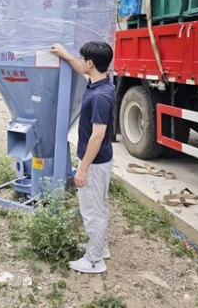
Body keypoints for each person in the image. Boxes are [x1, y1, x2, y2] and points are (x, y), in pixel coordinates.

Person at [51, 42, 116, 275]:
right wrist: (65, 55)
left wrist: (83, 169)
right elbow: (81, 68)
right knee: (99, 206)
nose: (80, 62)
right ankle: (100, 247)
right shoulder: (101, 82)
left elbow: (97, 136)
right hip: (100, 160)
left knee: (92, 210)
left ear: (91, 63)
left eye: (82, 58)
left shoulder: (100, 96)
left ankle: (94, 260)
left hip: (94, 162)